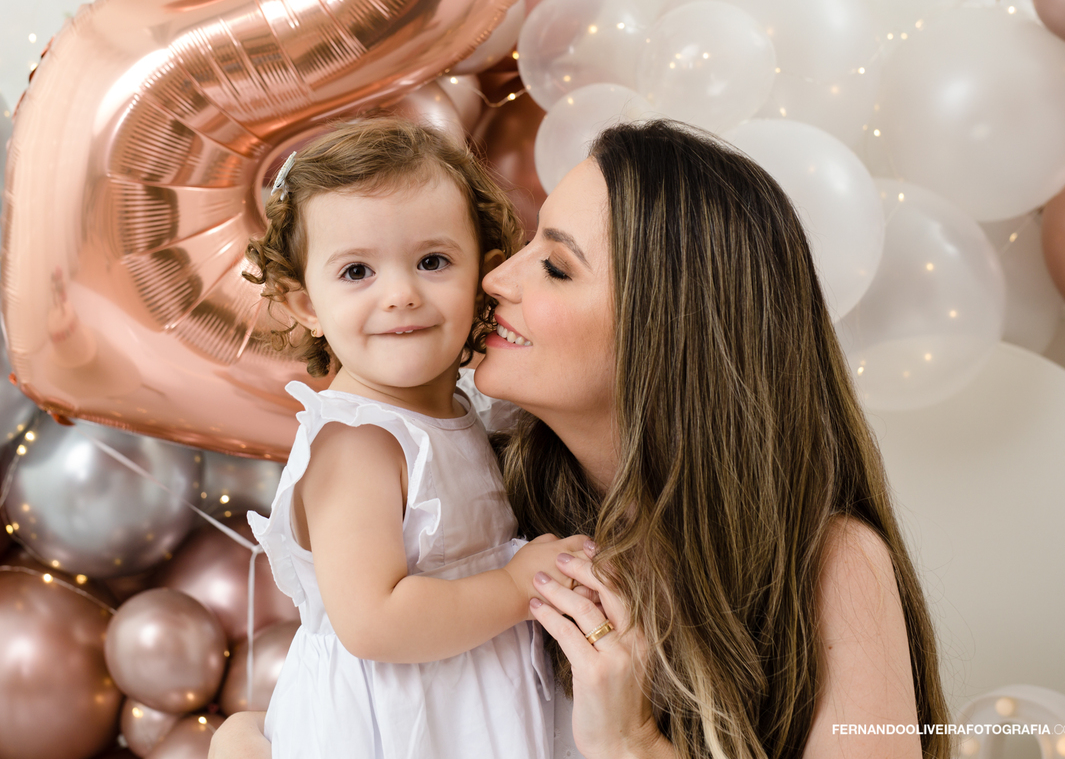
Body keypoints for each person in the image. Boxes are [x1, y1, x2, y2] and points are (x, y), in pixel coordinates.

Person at [213, 119, 951, 759]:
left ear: (665, 329)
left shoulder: (828, 563)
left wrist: (630, 741)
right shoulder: (500, 491)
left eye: (556, 267)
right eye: (528, 243)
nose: (497, 278)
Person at [240, 117, 587, 759]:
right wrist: (516, 588)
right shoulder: (357, 441)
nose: (400, 295)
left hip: (469, 702)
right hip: (394, 727)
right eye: (356, 271)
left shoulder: (460, 410)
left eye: (432, 262)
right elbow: (373, 621)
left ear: (482, 275)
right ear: (306, 305)